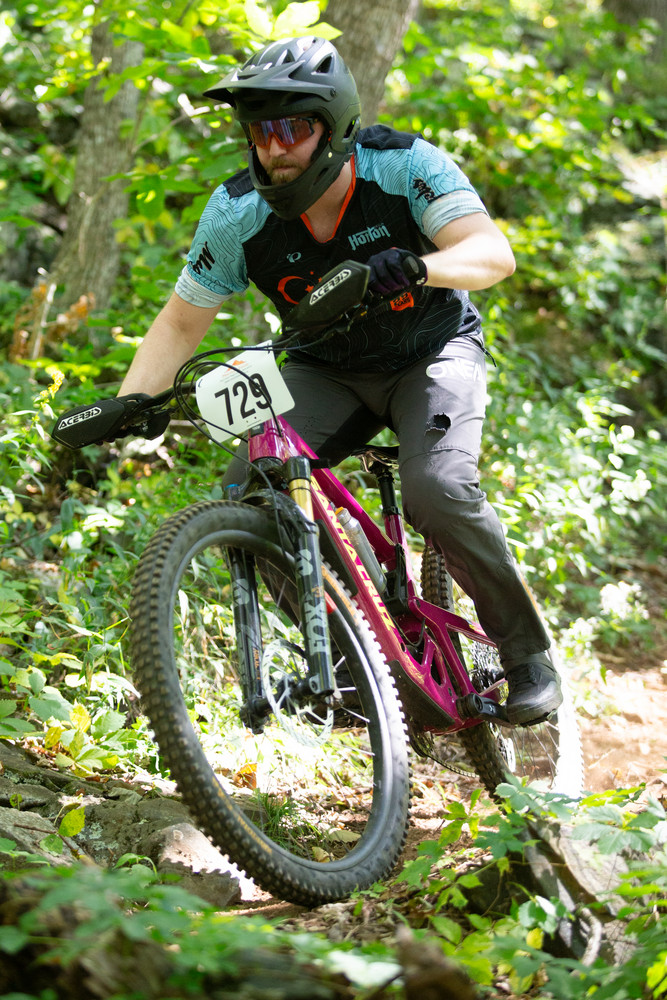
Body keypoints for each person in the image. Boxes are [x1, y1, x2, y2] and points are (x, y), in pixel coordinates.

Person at [115, 36, 562, 726]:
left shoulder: (402, 165)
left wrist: (419, 266)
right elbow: (179, 323)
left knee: (438, 490)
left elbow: (491, 253)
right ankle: (358, 657)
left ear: (333, 127)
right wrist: (129, 405)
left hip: (431, 350)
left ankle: (527, 656)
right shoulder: (237, 213)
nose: (274, 148)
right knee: (252, 488)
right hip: (322, 366)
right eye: (260, 131)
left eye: (291, 127)